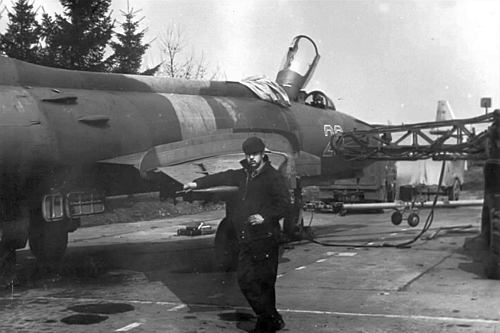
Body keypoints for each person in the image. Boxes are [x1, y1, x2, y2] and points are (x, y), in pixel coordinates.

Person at [183, 136, 290, 333]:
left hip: (266, 238)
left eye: (255, 154)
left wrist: (264, 216)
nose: (251, 158)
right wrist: (196, 183)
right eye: (248, 155)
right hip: (248, 238)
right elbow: (221, 177)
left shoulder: (273, 177)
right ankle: (271, 319)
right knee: (246, 280)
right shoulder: (243, 175)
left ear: (263, 154)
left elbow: (284, 204)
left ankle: (267, 323)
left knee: (265, 283)